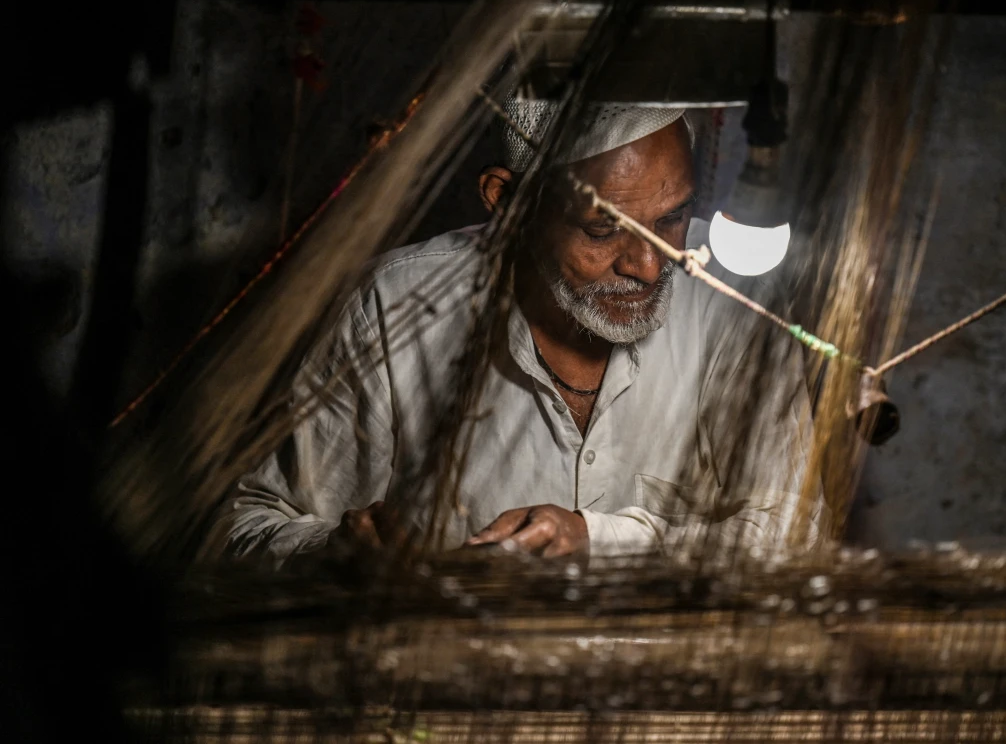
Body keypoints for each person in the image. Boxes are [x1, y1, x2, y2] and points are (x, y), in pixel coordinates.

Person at [210, 101, 821, 567]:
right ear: (507, 203)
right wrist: (333, 552)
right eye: (601, 231)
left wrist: (597, 539)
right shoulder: (395, 306)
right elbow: (247, 526)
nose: (650, 265)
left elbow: (794, 538)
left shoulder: (736, 307)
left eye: (672, 219)